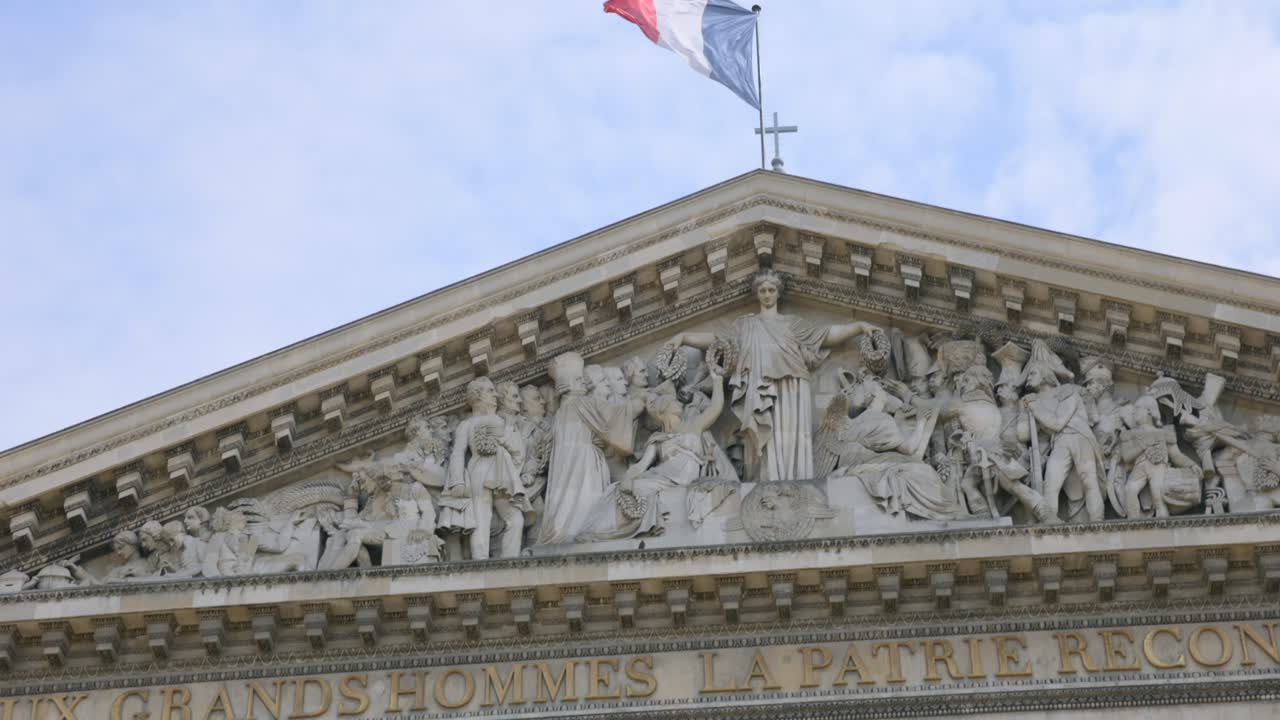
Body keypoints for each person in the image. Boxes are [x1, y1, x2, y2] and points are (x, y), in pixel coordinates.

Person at [668, 270, 876, 482]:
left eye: (771, 290)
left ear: (778, 293)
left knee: (791, 436)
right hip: (759, 385)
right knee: (763, 441)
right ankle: (767, 481)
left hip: (792, 385)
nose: (767, 295)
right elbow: (715, 338)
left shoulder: (793, 324)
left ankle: (796, 481)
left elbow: (827, 335)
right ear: (757, 294)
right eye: (762, 291)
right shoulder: (745, 325)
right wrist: (684, 337)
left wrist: (858, 326)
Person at [577, 364, 736, 541]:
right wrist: (627, 479)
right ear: (664, 410)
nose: (678, 401)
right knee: (619, 491)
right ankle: (600, 531)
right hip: (663, 479)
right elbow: (641, 466)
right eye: (673, 401)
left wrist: (717, 380)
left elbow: (715, 408)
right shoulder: (658, 439)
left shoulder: (694, 425)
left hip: (683, 477)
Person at [539, 352, 645, 544]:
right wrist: (641, 399)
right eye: (581, 380)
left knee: (568, 508)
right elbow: (620, 415)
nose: (585, 385)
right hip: (585, 467)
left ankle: (563, 531)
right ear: (576, 383)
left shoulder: (562, 411)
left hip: (566, 473)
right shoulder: (582, 404)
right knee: (586, 509)